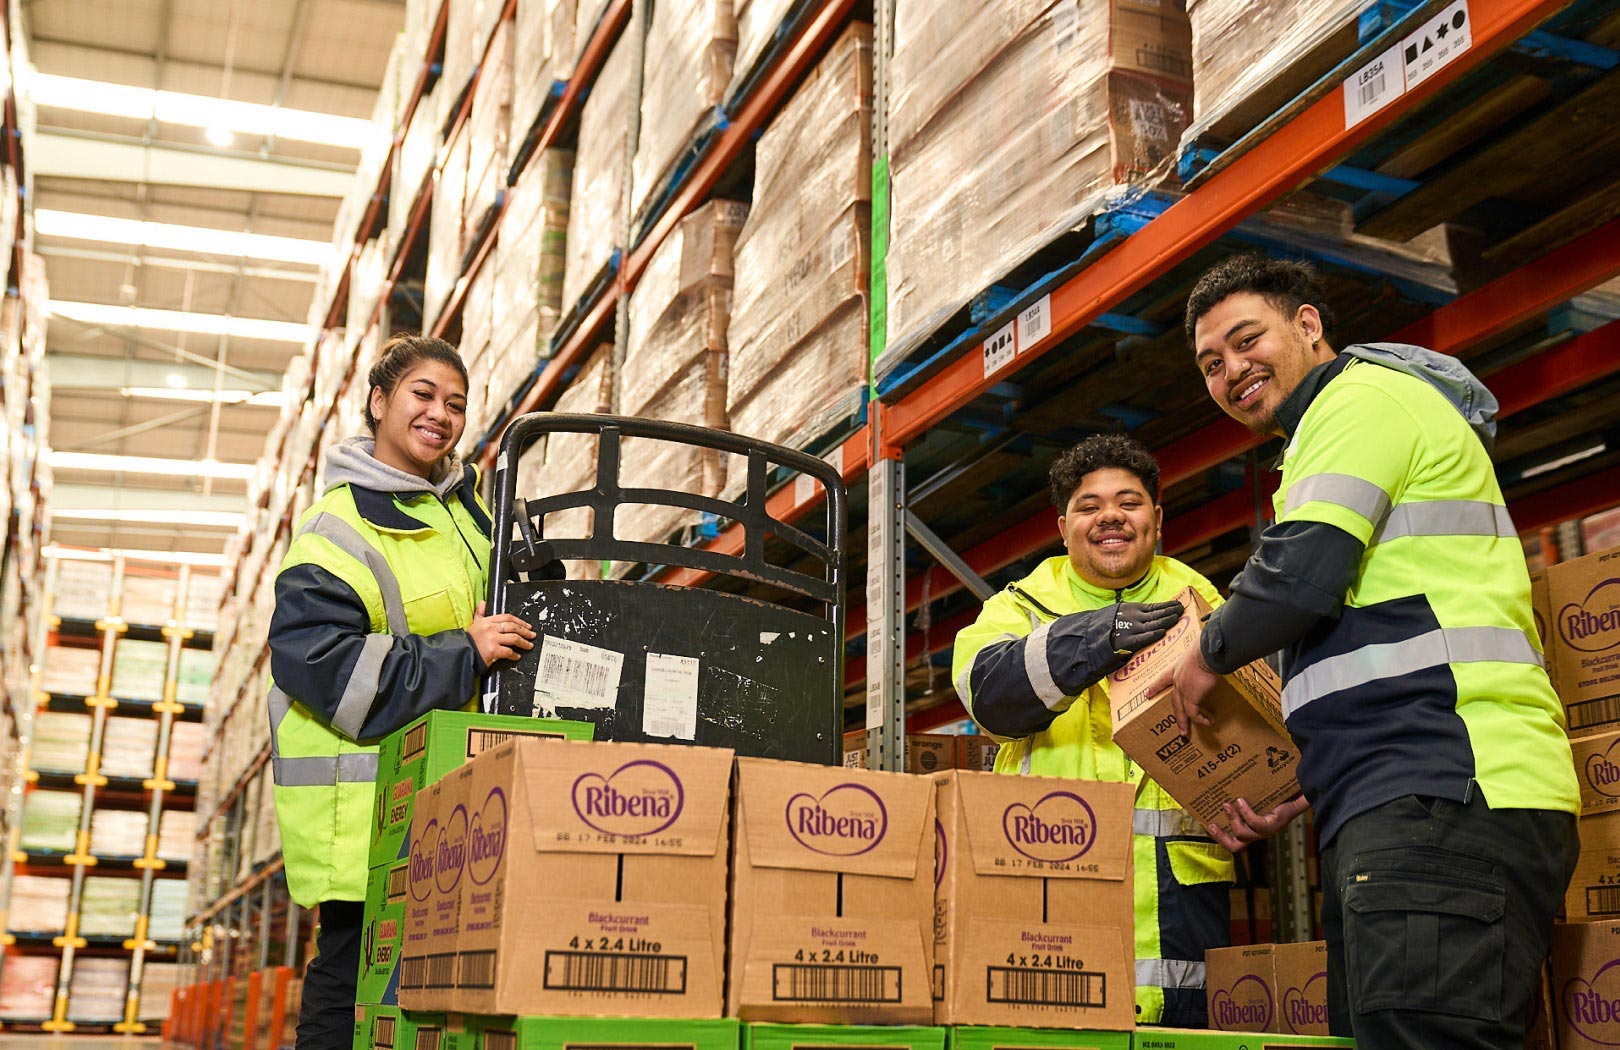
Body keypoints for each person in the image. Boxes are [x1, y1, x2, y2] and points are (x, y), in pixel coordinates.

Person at [1166, 254, 1578, 1049]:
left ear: (1309, 324)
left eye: (1247, 341)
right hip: (1403, 795)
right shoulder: (1329, 432)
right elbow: (1363, 633)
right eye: (1211, 365)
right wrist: (1305, 779)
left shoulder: (1361, 400)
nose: (1231, 372)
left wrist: (1206, 653)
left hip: (1446, 789)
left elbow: (1298, 580)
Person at [265, 334, 536, 1050]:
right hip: (366, 809)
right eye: (422, 394)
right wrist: (463, 653)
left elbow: (529, 602)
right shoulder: (337, 528)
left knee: (444, 994)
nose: (440, 415)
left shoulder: (476, 514)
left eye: (456, 404)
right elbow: (320, 664)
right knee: (351, 979)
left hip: (462, 790)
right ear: (380, 401)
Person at [951, 434, 1234, 1026]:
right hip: (1045, 883)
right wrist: (1093, 639)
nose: (1110, 515)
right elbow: (988, 697)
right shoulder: (1018, 608)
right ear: (1063, 526)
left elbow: (1255, 733)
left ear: (1156, 519)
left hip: (1178, 907)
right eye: (1089, 505)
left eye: (1129, 502)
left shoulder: (1207, 605)